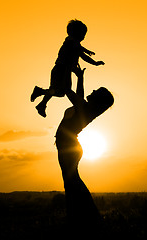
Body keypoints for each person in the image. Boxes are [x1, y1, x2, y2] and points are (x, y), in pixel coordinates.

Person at [55, 66, 114, 235]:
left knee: (72, 184)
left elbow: (68, 91)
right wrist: (80, 77)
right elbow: (78, 95)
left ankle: (82, 219)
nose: (93, 90)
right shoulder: (86, 108)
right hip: (70, 148)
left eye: (96, 91)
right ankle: (81, 218)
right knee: (72, 184)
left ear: (97, 99)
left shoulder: (84, 107)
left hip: (69, 149)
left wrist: (64, 72)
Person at [30, 19, 105, 117]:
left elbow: (83, 56)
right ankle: (40, 96)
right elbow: (78, 49)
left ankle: (42, 102)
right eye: (82, 34)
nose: (83, 37)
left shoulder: (76, 46)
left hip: (65, 70)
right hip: (61, 69)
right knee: (63, 90)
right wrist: (87, 50)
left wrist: (95, 63)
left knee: (60, 93)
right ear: (75, 33)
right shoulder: (69, 41)